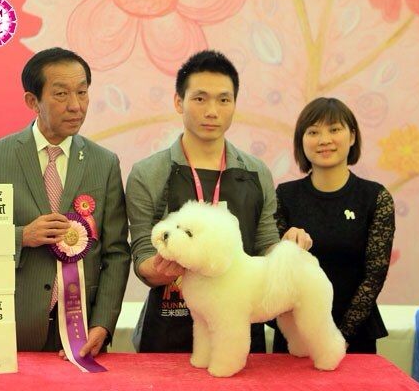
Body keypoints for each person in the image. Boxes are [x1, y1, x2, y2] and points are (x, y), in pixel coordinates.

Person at [125, 50, 312, 353]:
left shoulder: (256, 172)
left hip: (239, 326)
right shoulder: (148, 173)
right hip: (168, 329)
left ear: (234, 104)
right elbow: (143, 257)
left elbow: (265, 244)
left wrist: (288, 251)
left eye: (224, 100)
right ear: (178, 102)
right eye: (200, 98)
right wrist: (164, 266)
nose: (212, 111)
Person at [0, 47, 131, 357]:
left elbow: (117, 253)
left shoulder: (104, 162)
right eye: (61, 94)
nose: (76, 106)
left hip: (81, 333)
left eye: (82, 92)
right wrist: (21, 236)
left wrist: (103, 324)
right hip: (10, 326)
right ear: (33, 101)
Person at [272, 97, 395, 354]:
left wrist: (339, 337)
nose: (324, 140)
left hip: (354, 335)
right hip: (296, 335)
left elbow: (374, 275)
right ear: (301, 140)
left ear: (352, 136)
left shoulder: (375, 197)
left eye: (334, 129)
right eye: (313, 132)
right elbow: (273, 266)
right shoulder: (284, 195)